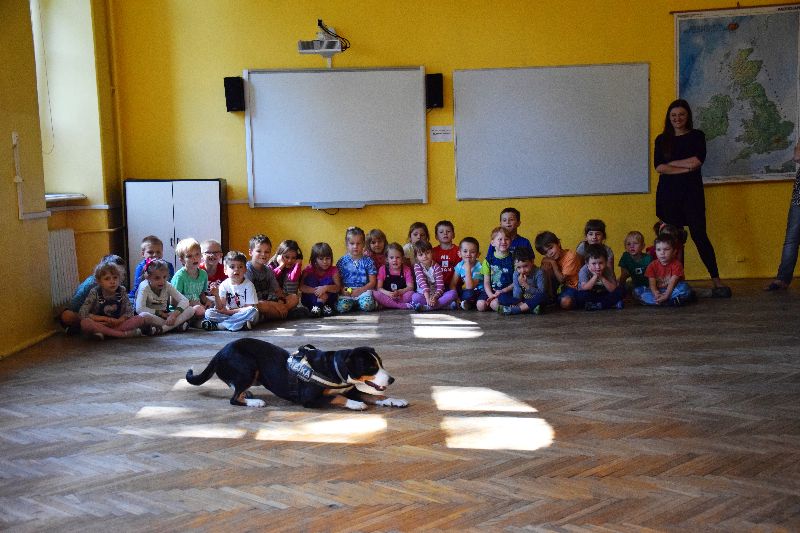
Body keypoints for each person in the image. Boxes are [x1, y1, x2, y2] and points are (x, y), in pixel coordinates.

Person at [654, 99, 730, 297]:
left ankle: (716, 280)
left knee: (699, 235)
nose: (677, 118)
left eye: (681, 114)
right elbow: (659, 167)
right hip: (668, 196)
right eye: (673, 115)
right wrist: (685, 167)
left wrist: (673, 164)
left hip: (692, 194)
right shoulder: (661, 140)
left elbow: (697, 161)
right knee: (672, 240)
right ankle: (675, 282)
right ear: (669, 118)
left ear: (687, 116)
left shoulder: (697, 136)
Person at [78, 259, 153, 340]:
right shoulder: (95, 292)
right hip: (101, 324)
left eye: (115, 278)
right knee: (85, 323)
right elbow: (82, 312)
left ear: (119, 279)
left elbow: (129, 312)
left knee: (140, 318)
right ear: (99, 281)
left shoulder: (122, 290)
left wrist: (119, 321)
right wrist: (105, 319)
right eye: (107, 279)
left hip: (119, 324)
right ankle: (121, 334)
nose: (112, 281)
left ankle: (104, 333)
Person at [59, 254, 126, 334]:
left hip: (100, 314)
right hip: (83, 314)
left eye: (120, 274)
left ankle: (96, 328)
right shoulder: (92, 285)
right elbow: (74, 307)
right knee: (67, 316)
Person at [766, 140, 800, 290]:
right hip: (799, 198)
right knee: (791, 239)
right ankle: (782, 279)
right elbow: (797, 156)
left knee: (791, 240)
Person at [202, 251, 260, 331]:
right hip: (229, 315)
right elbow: (220, 308)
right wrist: (216, 295)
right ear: (225, 270)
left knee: (252, 311)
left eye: (240, 267)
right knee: (208, 313)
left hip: (241, 313)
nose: (236, 269)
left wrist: (228, 312)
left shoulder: (249, 285)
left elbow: (248, 307)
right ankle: (239, 324)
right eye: (232, 267)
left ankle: (222, 325)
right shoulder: (224, 285)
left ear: (245, 270)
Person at [246, 234, 297, 321]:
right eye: (259, 251)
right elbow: (248, 299)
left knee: (294, 297)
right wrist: (274, 305)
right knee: (260, 306)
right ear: (250, 252)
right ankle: (283, 314)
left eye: (267, 252)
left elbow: (277, 290)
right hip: (257, 303)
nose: (263, 254)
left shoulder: (268, 270)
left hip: (270, 301)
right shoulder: (247, 270)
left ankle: (275, 314)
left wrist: (281, 301)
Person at [135, 258, 194, 333]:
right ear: (148, 277)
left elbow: (184, 300)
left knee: (191, 309)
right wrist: (160, 313)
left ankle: (162, 329)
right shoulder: (144, 286)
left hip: (166, 316)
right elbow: (139, 309)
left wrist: (174, 315)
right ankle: (175, 326)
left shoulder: (167, 285)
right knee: (144, 316)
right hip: (154, 316)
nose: (162, 281)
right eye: (157, 278)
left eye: (164, 277)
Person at [639, 235, 694, 306]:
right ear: (655, 251)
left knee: (684, 287)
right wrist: (655, 293)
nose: (662, 252)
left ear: (674, 252)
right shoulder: (652, 265)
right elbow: (652, 283)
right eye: (659, 250)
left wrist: (667, 295)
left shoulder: (677, 265)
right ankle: (669, 301)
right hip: (659, 290)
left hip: (673, 290)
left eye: (666, 249)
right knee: (638, 291)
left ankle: (661, 301)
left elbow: (673, 282)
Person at [535, 230, 581, 309]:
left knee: (565, 302)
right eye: (545, 252)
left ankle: (556, 300)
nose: (550, 253)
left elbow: (562, 280)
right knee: (545, 267)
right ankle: (550, 297)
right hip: (562, 288)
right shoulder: (550, 258)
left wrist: (553, 263)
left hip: (574, 287)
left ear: (558, 243)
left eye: (551, 248)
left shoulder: (570, 256)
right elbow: (543, 264)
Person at [336, 226, 378, 313]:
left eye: (358, 243)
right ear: (347, 244)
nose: (355, 246)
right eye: (352, 243)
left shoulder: (368, 261)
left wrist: (360, 290)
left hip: (363, 290)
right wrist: (342, 289)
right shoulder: (342, 262)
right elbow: (337, 280)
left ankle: (362, 303)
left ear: (363, 244)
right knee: (342, 308)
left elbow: (373, 282)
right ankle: (353, 304)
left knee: (367, 305)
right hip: (348, 291)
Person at [171, 237, 211, 324]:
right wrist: (190, 304)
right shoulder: (180, 276)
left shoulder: (203, 274)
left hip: (197, 307)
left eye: (197, 254)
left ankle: (195, 322)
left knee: (214, 304)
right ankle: (192, 323)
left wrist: (207, 301)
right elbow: (173, 301)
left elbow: (201, 294)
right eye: (189, 256)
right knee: (199, 310)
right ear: (182, 260)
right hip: (180, 310)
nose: (194, 258)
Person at [410, 241, 458, 311]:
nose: (425, 256)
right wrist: (427, 298)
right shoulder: (417, 266)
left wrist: (435, 297)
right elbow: (422, 282)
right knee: (415, 297)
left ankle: (427, 307)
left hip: (437, 296)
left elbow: (440, 286)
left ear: (432, 253)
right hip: (423, 295)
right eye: (421, 255)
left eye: (427, 253)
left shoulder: (437, 267)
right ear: (416, 257)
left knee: (453, 293)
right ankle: (444, 307)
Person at [575, 244, 624, 311]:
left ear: (606, 262)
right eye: (594, 264)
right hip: (590, 295)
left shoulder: (608, 270)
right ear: (587, 263)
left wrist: (601, 277)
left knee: (620, 291)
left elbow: (613, 289)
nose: (597, 267)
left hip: (604, 294)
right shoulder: (584, 270)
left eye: (600, 263)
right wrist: (595, 276)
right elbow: (585, 288)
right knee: (580, 296)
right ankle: (609, 304)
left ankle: (598, 305)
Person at [499, 247, 547, 315]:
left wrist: (525, 285)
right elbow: (516, 291)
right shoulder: (516, 274)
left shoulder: (539, 273)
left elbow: (541, 292)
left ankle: (517, 310)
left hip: (534, 299)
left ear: (532, 261)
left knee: (542, 296)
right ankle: (528, 309)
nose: (522, 270)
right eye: (519, 267)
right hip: (521, 300)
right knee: (501, 297)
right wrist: (515, 303)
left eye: (525, 266)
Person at [299, 242, 341, 317]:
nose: (325, 262)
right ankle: (318, 306)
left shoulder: (334, 270)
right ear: (314, 259)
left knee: (328, 281)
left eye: (327, 258)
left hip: (328, 300)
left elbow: (338, 287)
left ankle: (319, 307)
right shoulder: (308, 270)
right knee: (310, 278)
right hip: (311, 299)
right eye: (321, 259)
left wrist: (325, 288)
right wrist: (317, 291)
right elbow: (301, 287)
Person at [268, 239, 308, 318]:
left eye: (293, 258)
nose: (290, 261)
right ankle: (283, 312)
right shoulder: (272, 264)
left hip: (286, 298)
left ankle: (282, 311)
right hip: (272, 297)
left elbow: (293, 279)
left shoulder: (294, 265)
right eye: (286, 257)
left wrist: (298, 265)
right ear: (280, 255)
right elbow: (270, 279)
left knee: (295, 298)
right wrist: (281, 266)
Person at [128, 235, 174, 302]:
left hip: (162, 295)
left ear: (162, 252)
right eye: (150, 252)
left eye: (158, 252)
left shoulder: (168, 266)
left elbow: (170, 286)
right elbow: (138, 288)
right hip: (144, 295)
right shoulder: (140, 267)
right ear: (143, 254)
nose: (155, 255)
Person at [481, 227, 516, 312]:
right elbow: (486, 282)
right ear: (492, 243)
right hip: (491, 291)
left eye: (506, 239)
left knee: (494, 304)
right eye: (500, 239)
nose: (503, 242)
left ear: (511, 241)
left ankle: (510, 310)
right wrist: (491, 295)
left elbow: (516, 282)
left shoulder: (514, 259)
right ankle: (500, 305)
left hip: (507, 291)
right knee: (480, 306)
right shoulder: (488, 260)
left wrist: (503, 291)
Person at [374, 242, 415, 309]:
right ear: (387, 259)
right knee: (375, 294)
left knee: (411, 294)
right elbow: (379, 288)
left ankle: (389, 304)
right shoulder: (382, 269)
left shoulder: (406, 269)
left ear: (402, 259)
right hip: (387, 296)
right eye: (391, 257)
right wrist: (389, 293)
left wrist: (399, 292)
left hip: (401, 296)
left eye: (398, 257)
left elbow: (410, 287)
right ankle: (400, 305)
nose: (394, 260)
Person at [450, 237, 487, 310]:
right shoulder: (460, 265)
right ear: (459, 254)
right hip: (468, 291)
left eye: (472, 252)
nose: (468, 254)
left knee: (469, 294)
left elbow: (470, 287)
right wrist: (456, 297)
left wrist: (467, 269)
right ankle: (465, 303)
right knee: (454, 293)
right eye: (465, 251)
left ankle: (470, 304)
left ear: (478, 254)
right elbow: (452, 284)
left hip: (479, 292)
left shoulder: (479, 267)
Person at [432, 220, 460, 288]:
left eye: (448, 231)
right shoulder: (432, 252)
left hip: (456, 286)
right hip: (437, 287)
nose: (445, 233)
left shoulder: (459, 251)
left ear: (453, 235)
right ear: (436, 236)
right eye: (441, 232)